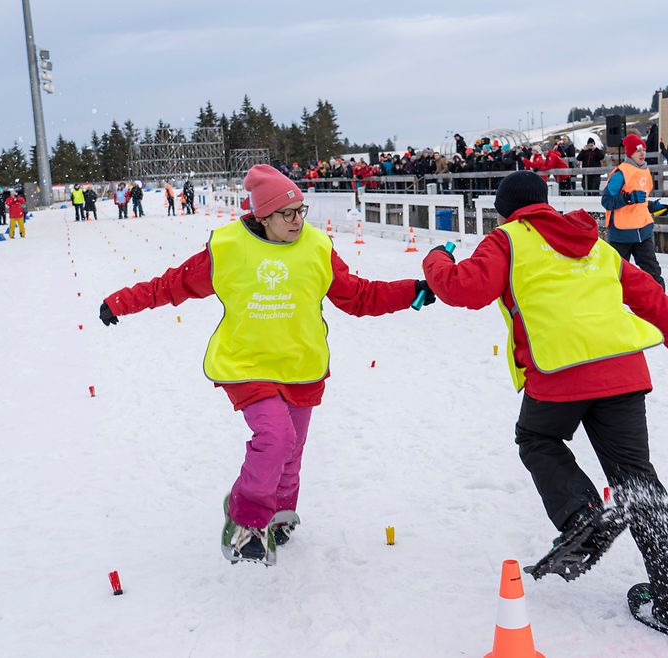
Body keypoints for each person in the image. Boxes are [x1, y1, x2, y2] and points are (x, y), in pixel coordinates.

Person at [421, 169, 668, 637]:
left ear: (505, 211)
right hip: (621, 372)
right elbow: (647, 294)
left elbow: (463, 289)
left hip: (560, 372)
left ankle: (581, 513)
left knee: (537, 438)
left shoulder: (506, 240)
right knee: (637, 482)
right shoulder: (595, 242)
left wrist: (436, 258)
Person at [98, 164, 435, 566]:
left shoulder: (316, 247)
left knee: (292, 450)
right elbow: (172, 284)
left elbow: (358, 296)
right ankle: (245, 519)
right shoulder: (228, 249)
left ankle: (278, 511)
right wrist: (121, 301)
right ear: (262, 215)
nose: (297, 221)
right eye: (287, 213)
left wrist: (410, 290)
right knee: (276, 438)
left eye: (301, 211)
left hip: (300, 364)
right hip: (247, 364)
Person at [603, 135, 668, 290]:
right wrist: (628, 199)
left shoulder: (645, 171)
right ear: (629, 153)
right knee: (616, 276)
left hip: (643, 231)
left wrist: (655, 206)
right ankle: (612, 309)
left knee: (654, 273)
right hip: (622, 235)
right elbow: (607, 201)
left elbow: (641, 201)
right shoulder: (620, 174)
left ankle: (662, 308)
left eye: (643, 150)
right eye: (637, 150)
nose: (642, 153)